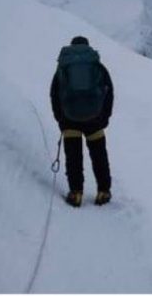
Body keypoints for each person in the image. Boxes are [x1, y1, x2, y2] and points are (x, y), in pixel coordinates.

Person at [50, 36, 114, 207]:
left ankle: (76, 193)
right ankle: (103, 192)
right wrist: (104, 117)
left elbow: (54, 95)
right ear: (87, 47)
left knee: (73, 157)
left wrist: (61, 119)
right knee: (99, 155)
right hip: (95, 119)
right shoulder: (96, 66)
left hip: (69, 119)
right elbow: (109, 92)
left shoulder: (63, 67)